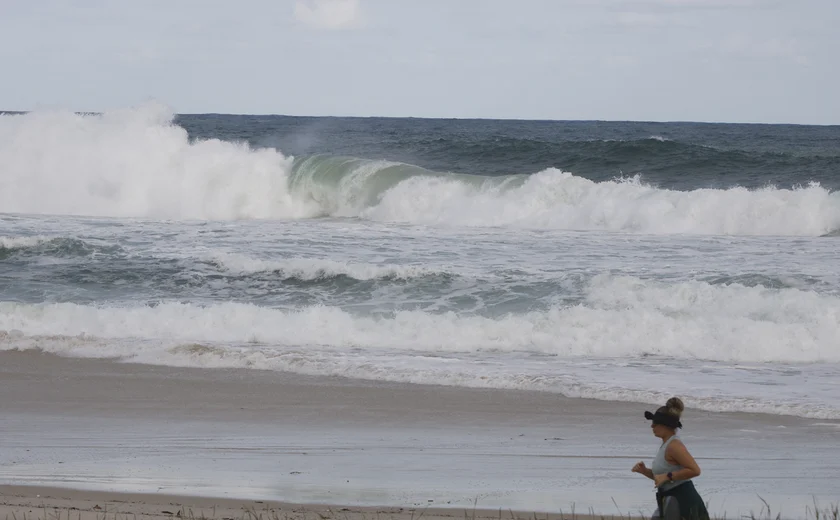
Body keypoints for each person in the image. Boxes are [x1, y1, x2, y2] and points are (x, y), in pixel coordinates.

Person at [631, 397, 709, 520]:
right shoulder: (666, 444)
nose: (652, 426)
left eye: (655, 423)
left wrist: (667, 476)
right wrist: (645, 471)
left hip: (683, 501)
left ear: (665, 425)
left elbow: (695, 470)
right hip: (669, 500)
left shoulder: (674, 445)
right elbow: (663, 478)